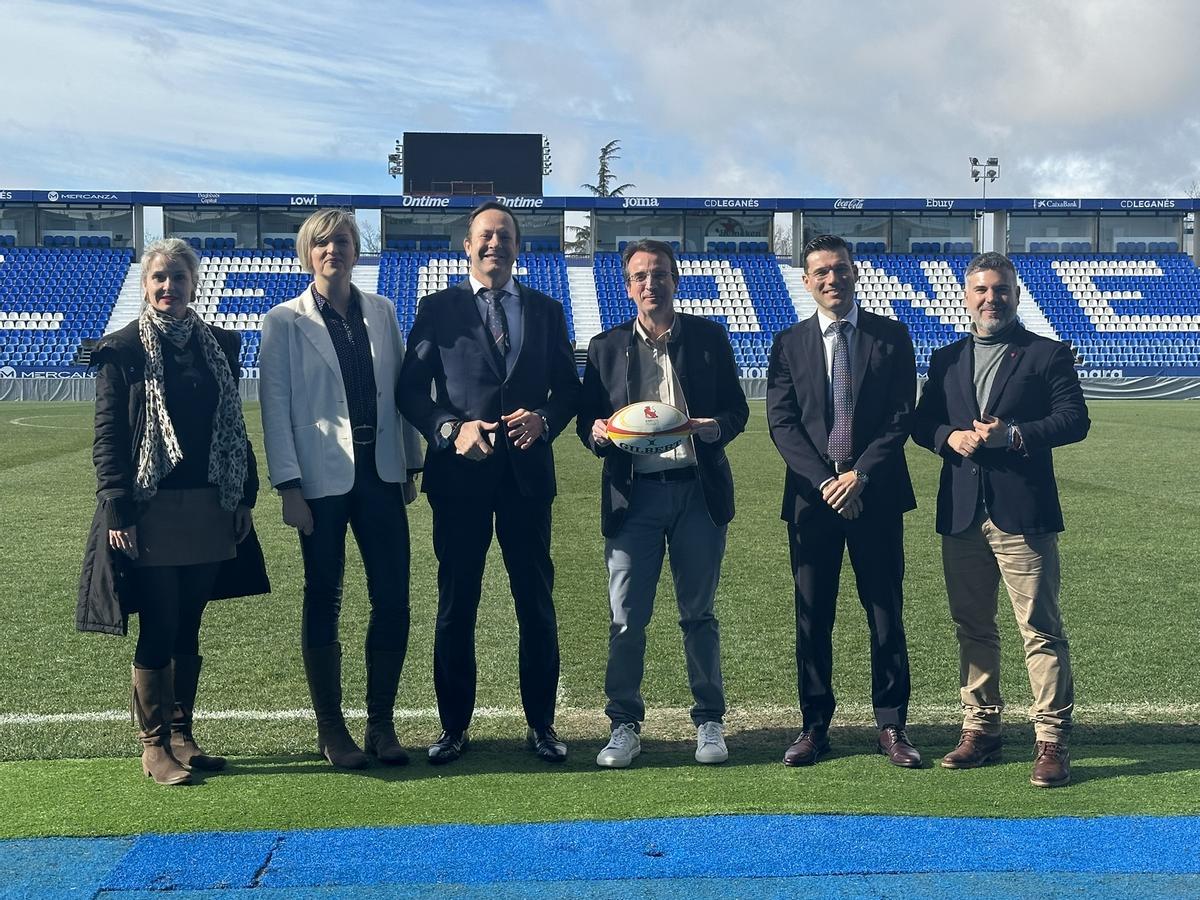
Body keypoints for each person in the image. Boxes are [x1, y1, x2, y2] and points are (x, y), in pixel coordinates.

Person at [77, 237, 268, 786]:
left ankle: (183, 733)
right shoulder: (122, 350)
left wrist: (244, 496)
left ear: (193, 284)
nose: (169, 286)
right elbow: (109, 437)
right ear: (145, 285)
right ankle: (154, 744)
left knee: (190, 621)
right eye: (159, 277)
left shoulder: (220, 345)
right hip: (151, 508)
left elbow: (233, 429)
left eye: (178, 277)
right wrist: (118, 510)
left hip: (210, 505)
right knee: (160, 621)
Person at [398, 201, 581, 765]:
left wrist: (545, 419)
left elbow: (569, 390)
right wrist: (450, 429)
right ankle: (453, 728)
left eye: (504, 235)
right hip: (460, 480)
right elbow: (410, 391)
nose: (494, 244)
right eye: (485, 235)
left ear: (518, 247)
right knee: (457, 605)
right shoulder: (437, 309)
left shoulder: (548, 311)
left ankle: (542, 725)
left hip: (527, 479)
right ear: (467, 246)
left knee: (536, 604)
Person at [912, 251, 1089, 788]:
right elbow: (922, 422)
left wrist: (1011, 435)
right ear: (967, 297)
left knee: (1040, 629)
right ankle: (981, 728)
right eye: (982, 290)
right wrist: (949, 437)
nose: (992, 298)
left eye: (1002, 289)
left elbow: (1074, 420)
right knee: (972, 626)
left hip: (1023, 514)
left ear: (1015, 294)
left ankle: (1051, 740)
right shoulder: (945, 359)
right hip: (962, 512)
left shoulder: (1046, 354)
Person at [259, 209, 422, 769]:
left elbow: (399, 392)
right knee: (324, 596)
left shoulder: (383, 311)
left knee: (393, 598)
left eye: (344, 241)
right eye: (323, 242)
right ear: (308, 253)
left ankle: (381, 723)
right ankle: (331, 729)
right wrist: (288, 486)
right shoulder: (284, 320)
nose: (334, 250)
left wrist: (411, 465)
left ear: (356, 250)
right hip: (319, 480)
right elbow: (275, 407)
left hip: (381, 472)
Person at [578, 239, 748, 769]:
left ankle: (709, 720)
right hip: (634, 498)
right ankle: (624, 723)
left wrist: (713, 428)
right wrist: (598, 434)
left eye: (659, 274)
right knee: (626, 618)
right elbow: (587, 421)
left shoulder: (708, 338)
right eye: (640, 276)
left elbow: (737, 411)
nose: (650, 284)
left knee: (698, 613)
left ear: (675, 280)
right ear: (628, 286)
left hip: (697, 491)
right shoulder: (605, 347)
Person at [765, 234, 921, 768]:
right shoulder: (789, 343)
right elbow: (782, 422)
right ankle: (814, 726)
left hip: (876, 495)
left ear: (855, 273)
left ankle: (892, 724)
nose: (833, 279)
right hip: (813, 502)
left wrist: (860, 476)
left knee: (885, 613)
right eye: (822, 272)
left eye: (841, 269)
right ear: (807, 281)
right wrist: (827, 482)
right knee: (813, 617)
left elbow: (901, 414)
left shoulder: (891, 336)